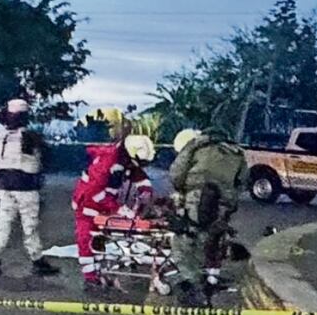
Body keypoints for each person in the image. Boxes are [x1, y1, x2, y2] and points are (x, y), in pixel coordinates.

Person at [168, 127, 246, 302]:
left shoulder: (195, 146)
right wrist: (228, 198)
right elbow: (242, 182)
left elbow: (176, 174)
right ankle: (211, 279)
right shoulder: (237, 152)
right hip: (223, 205)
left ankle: (193, 286)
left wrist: (183, 191)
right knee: (214, 241)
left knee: (184, 242)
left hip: (197, 199)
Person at [71, 134, 155, 294]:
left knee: (98, 240)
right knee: (86, 239)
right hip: (86, 205)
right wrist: (119, 209)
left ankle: (100, 272)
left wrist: (146, 189)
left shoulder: (123, 159)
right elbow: (96, 193)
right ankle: (90, 279)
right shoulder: (107, 162)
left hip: (100, 204)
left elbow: (136, 172)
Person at [0, 98, 59, 278]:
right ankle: (37, 260)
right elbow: (47, 157)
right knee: (30, 226)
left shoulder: (1, 136)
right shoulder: (29, 136)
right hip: (25, 186)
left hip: (5, 185)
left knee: (4, 222)